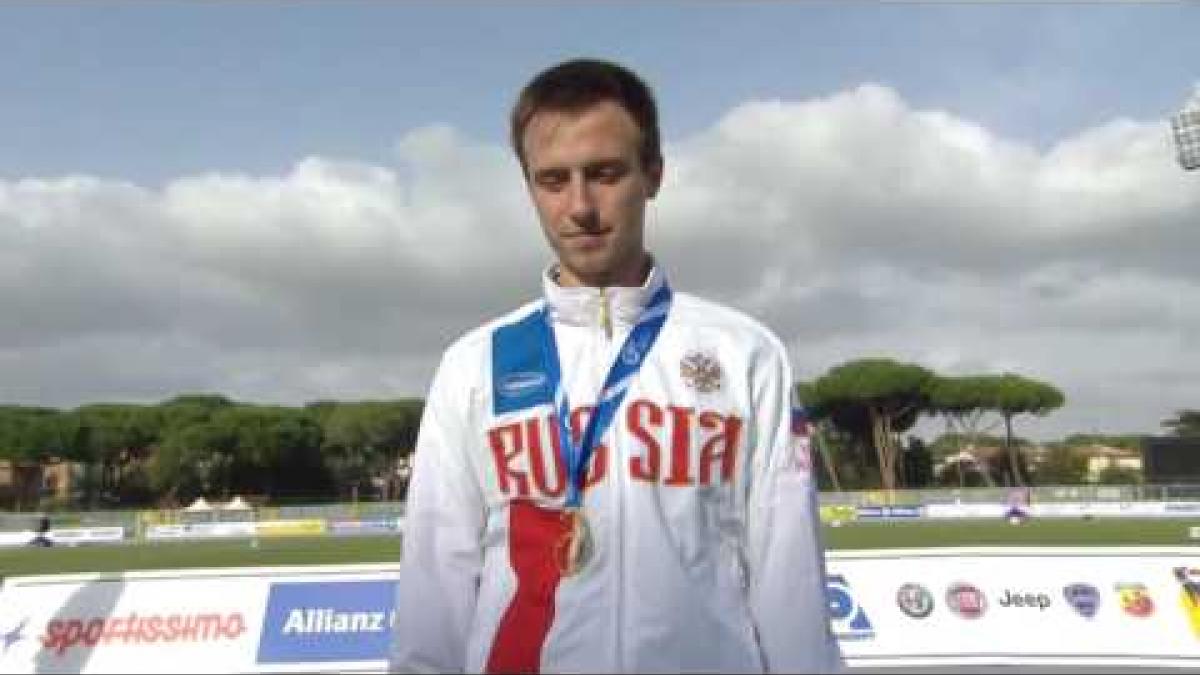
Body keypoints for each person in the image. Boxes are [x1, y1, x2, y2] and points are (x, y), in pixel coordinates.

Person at [390, 58, 842, 673]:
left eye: (604, 174)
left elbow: (788, 576)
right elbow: (433, 585)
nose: (579, 205)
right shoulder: (474, 364)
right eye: (553, 180)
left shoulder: (747, 353)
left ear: (653, 174)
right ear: (529, 188)